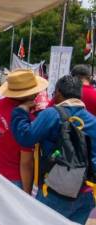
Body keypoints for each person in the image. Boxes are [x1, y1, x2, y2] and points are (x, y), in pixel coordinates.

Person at [11, 75, 96, 224]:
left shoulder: (51, 114)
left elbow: (25, 137)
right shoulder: (92, 120)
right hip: (87, 194)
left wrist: (21, 111)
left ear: (58, 92)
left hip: (56, 192)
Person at [0, 69, 48, 193]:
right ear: (30, 94)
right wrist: (27, 194)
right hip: (14, 181)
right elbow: (26, 163)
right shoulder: (26, 120)